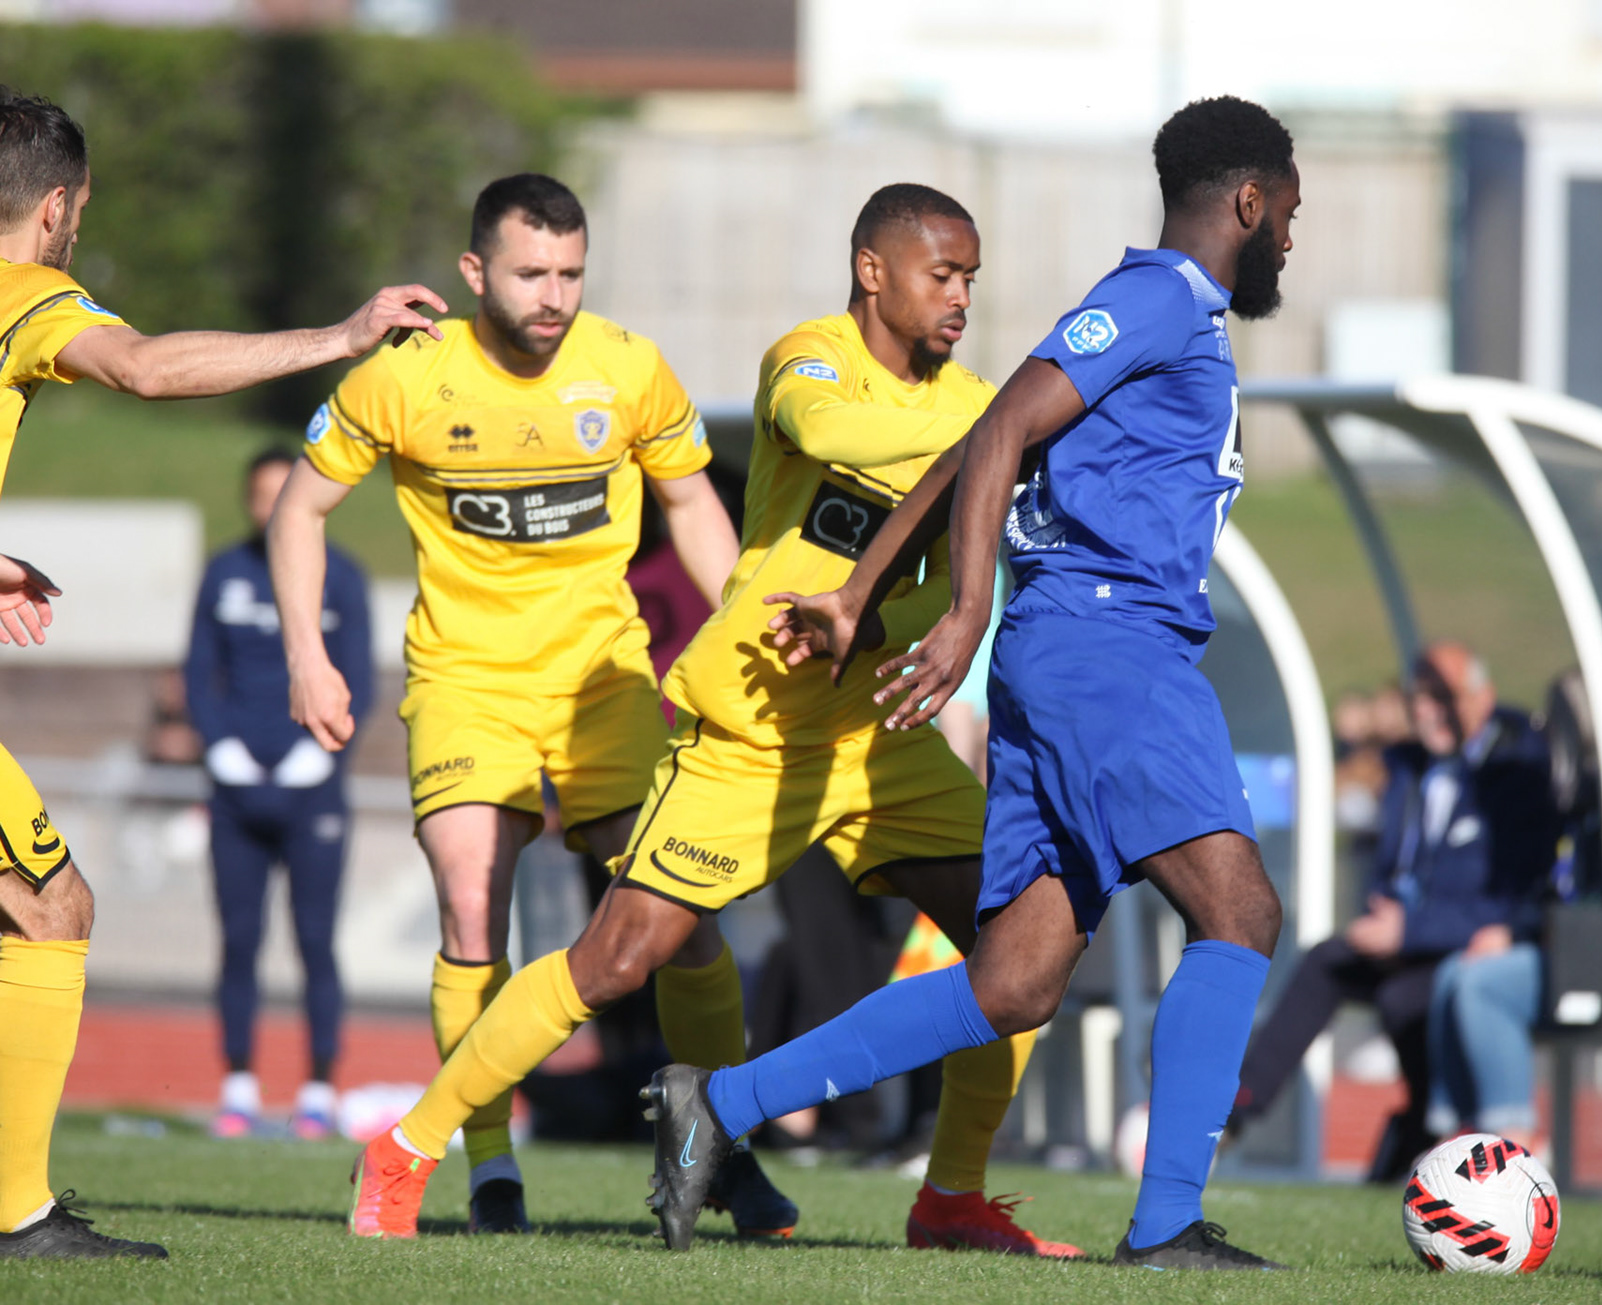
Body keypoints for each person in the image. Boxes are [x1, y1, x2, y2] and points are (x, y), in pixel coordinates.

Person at [344, 181, 1080, 1258]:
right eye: (942, 274)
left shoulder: (972, 399)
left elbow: (972, 530)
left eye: (972, 277)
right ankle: (407, 1146)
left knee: (1025, 946)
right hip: (755, 733)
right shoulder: (810, 361)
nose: (962, 295)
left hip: (878, 740)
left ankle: (951, 1198)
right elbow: (837, 433)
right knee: (617, 958)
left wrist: (1001, 448)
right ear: (873, 271)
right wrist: (1005, 432)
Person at [646, 95, 1302, 1269]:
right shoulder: (1159, 298)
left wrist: (862, 589)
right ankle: (1166, 1227)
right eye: (1291, 213)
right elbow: (1000, 432)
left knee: (1014, 984)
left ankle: (721, 1105)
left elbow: (977, 438)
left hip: (1076, 654)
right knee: (1240, 912)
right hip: (1110, 650)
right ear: (1251, 201)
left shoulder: (1167, 316)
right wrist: (962, 613)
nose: (1293, 240)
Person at [267, 173, 777, 1236]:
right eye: (532, 272)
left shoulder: (627, 366)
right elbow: (301, 510)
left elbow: (692, 499)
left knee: (684, 917)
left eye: (571, 274)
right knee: (470, 905)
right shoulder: (404, 374)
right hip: (466, 681)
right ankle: (490, 1165)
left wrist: (743, 629)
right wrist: (307, 656)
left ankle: (721, 1149)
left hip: (605, 682)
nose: (554, 296)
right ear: (474, 272)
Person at [0, 86, 443, 1260]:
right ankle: (17, 1218)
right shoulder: (26, 296)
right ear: (57, 207)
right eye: (81, 211)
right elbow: (148, 368)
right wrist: (340, 339)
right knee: (49, 909)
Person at [1231, 643, 1559, 1177]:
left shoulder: (1518, 770)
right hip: (1405, 938)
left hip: (1470, 946)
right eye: (1419, 698)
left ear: (1483, 698)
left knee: (1406, 998)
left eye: (1442, 697)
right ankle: (1235, 1109)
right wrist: (1386, 915)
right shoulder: (1409, 767)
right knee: (1325, 961)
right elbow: (1397, 865)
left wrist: (1410, 930)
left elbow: (1516, 894)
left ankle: (1435, 1138)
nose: (1428, 711)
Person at [186, 447, 373, 1140]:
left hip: (312, 793)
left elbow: (361, 679)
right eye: (261, 494)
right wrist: (219, 745)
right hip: (235, 792)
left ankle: (318, 1089)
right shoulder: (223, 573)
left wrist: (320, 752)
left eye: (283, 493)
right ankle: (237, 1085)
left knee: (315, 939)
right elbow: (198, 670)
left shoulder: (342, 576)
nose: (272, 508)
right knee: (238, 938)